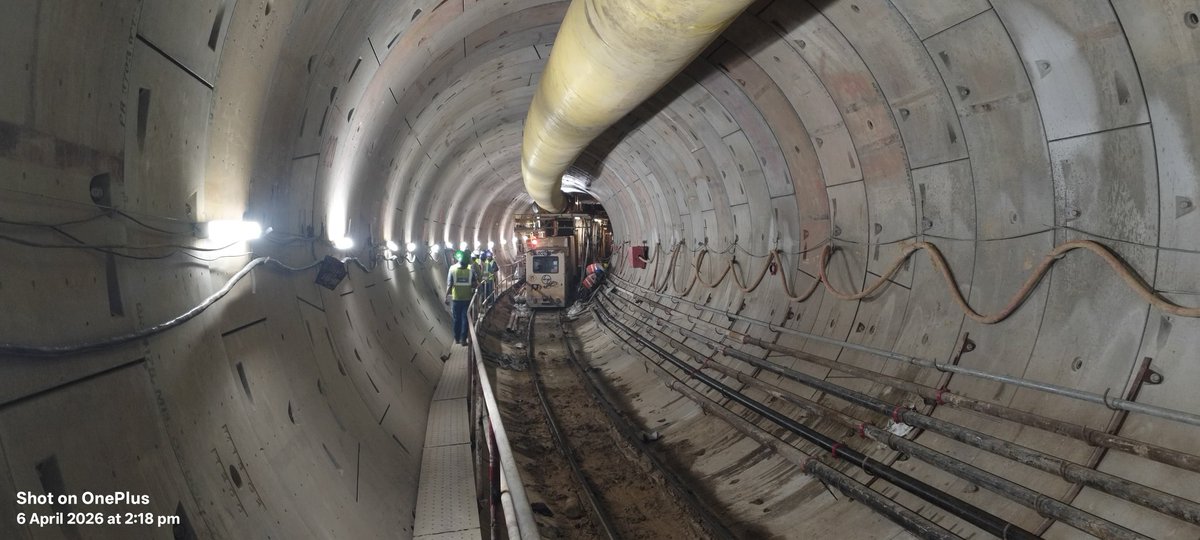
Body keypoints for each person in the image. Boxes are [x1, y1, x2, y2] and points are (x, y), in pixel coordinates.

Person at [444, 250, 478, 345]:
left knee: (457, 319)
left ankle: (457, 338)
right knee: (465, 319)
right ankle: (463, 339)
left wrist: (446, 297)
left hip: (456, 299)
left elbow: (449, 285)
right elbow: (475, 284)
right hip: (467, 299)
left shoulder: (452, 269)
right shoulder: (470, 270)